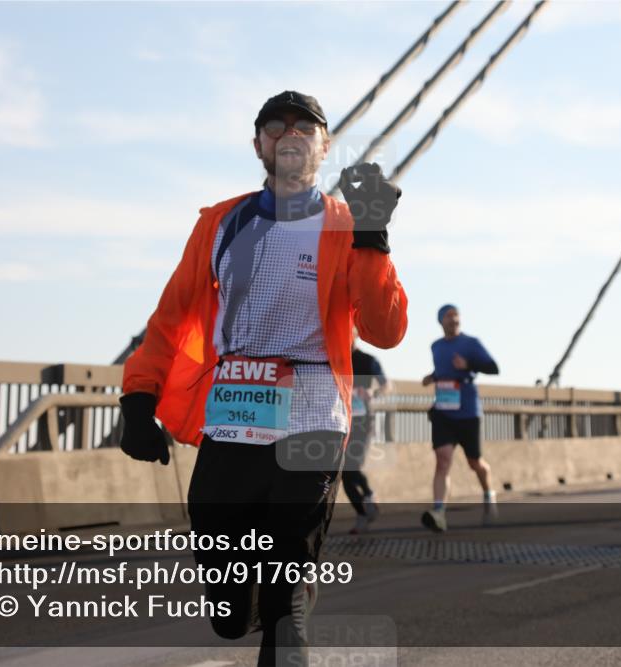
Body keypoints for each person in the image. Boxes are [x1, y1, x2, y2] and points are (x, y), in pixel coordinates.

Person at [117, 90, 407, 666]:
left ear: (324, 146)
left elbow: (384, 329)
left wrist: (373, 238)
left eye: (306, 128)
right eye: (276, 126)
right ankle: (254, 609)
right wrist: (137, 398)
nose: (290, 134)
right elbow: (172, 317)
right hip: (235, 412)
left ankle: (287, 610)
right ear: (258, 144)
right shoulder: (222, 224)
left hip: (313, 413)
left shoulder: (348, 224)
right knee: (227, 605)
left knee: (286, 596)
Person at [420, 304, 499, 532]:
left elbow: (494, 368)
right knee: (443, 460)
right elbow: (443, 371)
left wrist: (469, 364)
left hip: (467, 411)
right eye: (448, 316)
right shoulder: (435, 347)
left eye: (456, 316)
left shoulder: (471, 343)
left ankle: (488, 494)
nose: (453, 320)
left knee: (475, 462)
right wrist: (431, 377)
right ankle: (439, 512)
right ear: (440, 321)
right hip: (444, 410)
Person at [344, 328, 390, 534]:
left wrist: (373, 392)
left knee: (352, 466)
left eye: (349, 333)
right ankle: (362, 513)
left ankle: (369, 495)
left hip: (362, 423)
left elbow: (386, 385)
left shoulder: (368, 360)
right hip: (339, 421)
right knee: (344, 475)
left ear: (356, 335)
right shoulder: (334, 359)